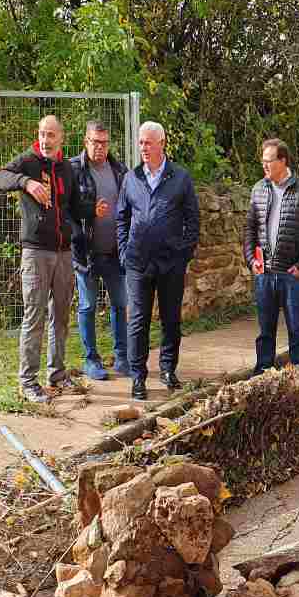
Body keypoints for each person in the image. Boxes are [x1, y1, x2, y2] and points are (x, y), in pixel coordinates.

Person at [0, 115, 107, 403]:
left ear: (61, 138)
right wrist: (25, 183)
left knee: (61, 315)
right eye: (42, 133)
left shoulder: (67, 168)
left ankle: (56, 374)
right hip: (36, 252)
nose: (45, 140)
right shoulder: (27, 161)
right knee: (35, 316)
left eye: (51, 135)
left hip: (64, 252)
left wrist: (93, 210)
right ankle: (27, 382)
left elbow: (72, 206)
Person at [116, 121, 200, 401]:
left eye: (148, 143)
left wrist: (183, 254)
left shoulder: (180, 177)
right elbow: (122, 218)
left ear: (162, 143)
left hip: (170, 264)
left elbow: (192, 219)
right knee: (138, 321)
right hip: (138, 263)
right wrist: (124, 252)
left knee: (171, 320)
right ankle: (138, 377)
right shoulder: (132, 178)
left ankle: (167, 369)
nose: (143, 148)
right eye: (140, 143)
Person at [243, 138, 299, 376]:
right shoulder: (258, 189)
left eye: (269, 161)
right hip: (264, 274)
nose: (264, 166)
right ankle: (262, 379)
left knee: (296, 331)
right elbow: (249, 229)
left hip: (291, 274)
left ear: (283, 161)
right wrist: (251, 260)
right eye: (263, 161)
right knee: (265, 332)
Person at [70, 120, 129, 381]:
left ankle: (122, 357)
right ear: (86, 141)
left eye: (104, 143)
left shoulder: (119, 170)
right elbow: (66, 211)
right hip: (87, 253)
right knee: (88, 306)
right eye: (95, 142)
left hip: (116, 252)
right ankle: (91, 360)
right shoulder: (73, 170)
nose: (99, 147)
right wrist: (79, 230)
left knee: (120, 303)